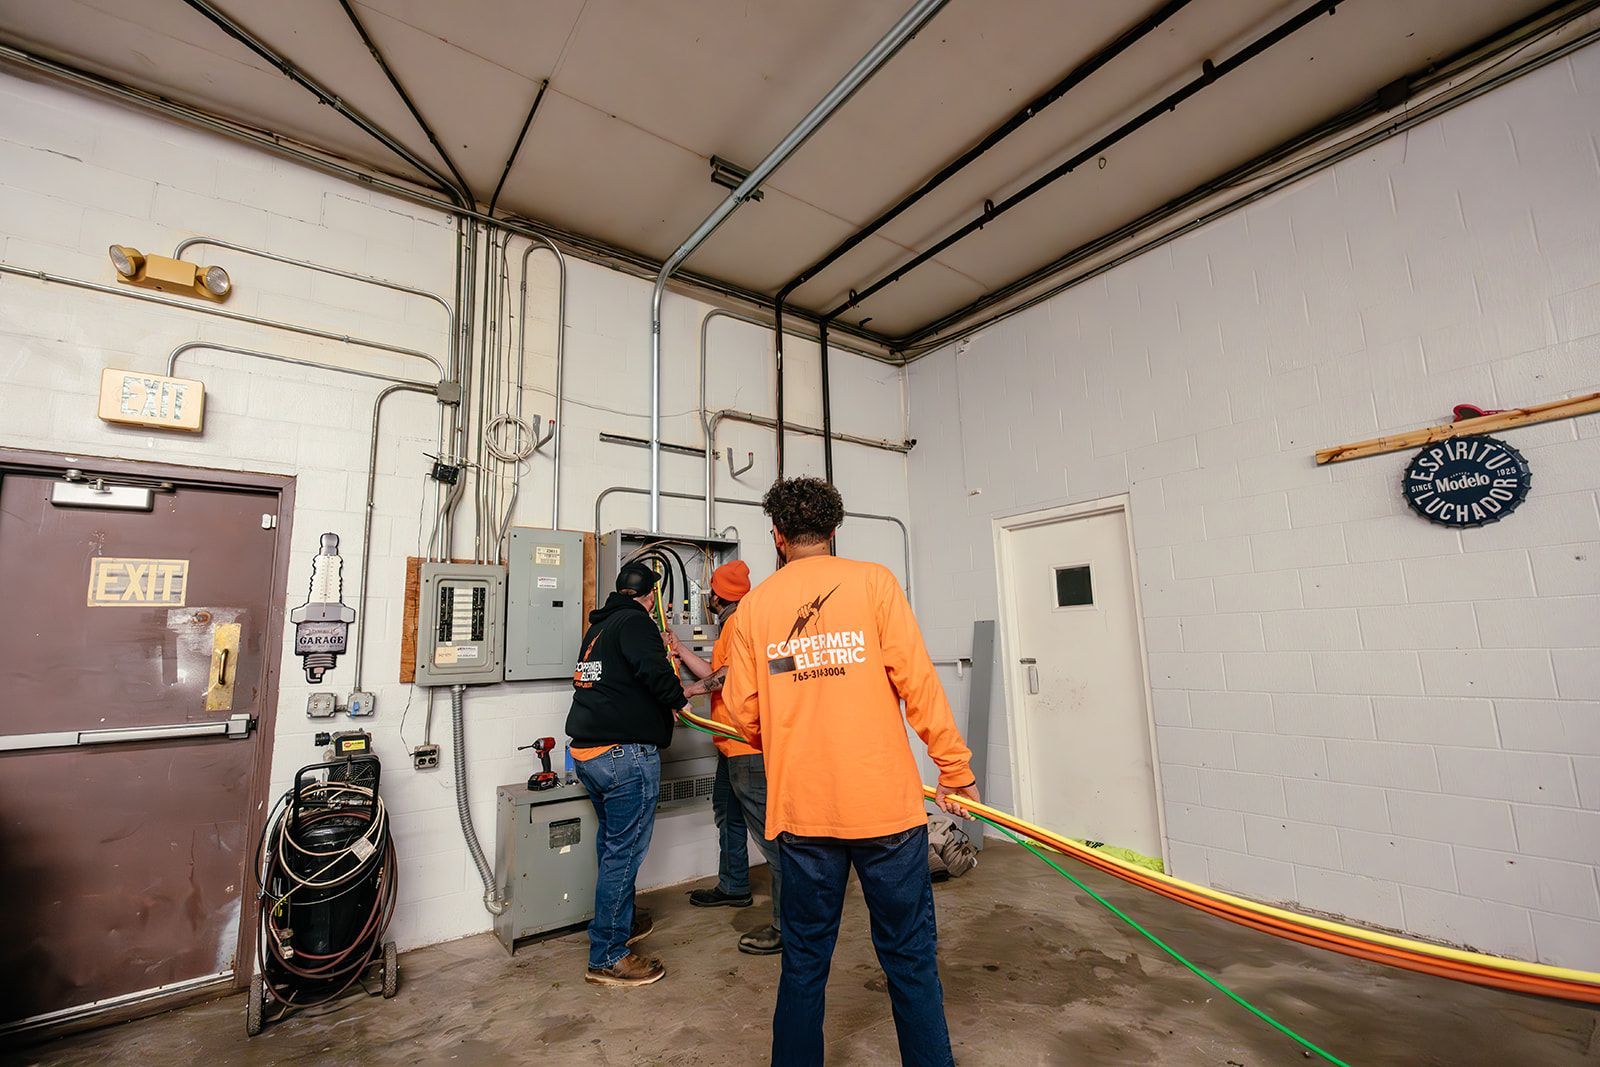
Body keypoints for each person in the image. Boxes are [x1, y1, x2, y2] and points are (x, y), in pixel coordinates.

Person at [723, 477, 979, 1067]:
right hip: (885, 810)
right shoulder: (874, 583)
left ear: (777, 537)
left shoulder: (755, 607)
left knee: (805, 960)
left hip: (804, 813)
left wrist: (785, 732)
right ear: (833, 532)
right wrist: (954, 771)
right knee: (909, 956)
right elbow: (918, 686)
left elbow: (740, 715)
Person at [566, 560, 687, 987]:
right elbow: (655, 673)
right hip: (623, 757)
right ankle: (608, 955)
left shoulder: (598, 628)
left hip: (589, 755)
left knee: (612, 846)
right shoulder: (636, 624)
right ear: (650, 596)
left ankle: (623, 921)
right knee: (624, 852)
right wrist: (681, 702)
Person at [669, 559, 783, 956]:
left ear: (716, 597)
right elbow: (717, 669)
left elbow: (729, 674)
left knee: (771, 837)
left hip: (748, 745)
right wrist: (680, 649)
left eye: (710, 595)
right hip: (728, 743)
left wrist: (690, 691)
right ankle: (734, 885)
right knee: (729, 814)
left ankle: (790, 925)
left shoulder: (740, 623)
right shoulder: (735, 622)